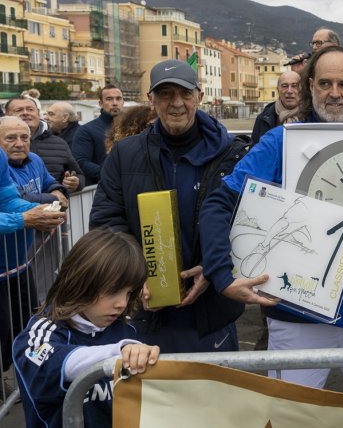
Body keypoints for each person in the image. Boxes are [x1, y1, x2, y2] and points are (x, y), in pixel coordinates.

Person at [200, 46, 343, 396]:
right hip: (297, 317)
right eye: (324, 83)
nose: (334, 93)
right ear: (310, 87)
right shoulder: (281, 142)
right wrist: (220, 274)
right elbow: (220, 201)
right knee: (292, 417)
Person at [90, 60, 248, 353]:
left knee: (212, 397)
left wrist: (215, 268)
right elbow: (106, 222)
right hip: (146, 311)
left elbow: (249, 224)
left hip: (211, 312)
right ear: (151, 100)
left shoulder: (234, 154)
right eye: (166, 94)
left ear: (199, 97)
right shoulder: (125, 154)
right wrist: (136, 277)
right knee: (151, 397)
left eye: (185, 94)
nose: (176, 103)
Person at [13, 228, 159, 428]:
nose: (122, 303)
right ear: (83, 280)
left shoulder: (126, 331)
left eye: (128, 293)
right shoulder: (40, 333)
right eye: (113, 291)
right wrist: (121, 352)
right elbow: (55, 364)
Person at [0, 101, 66, 410]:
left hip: (14, 263)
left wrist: (37, 210)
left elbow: (7, 199)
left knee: (17, 327)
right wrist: (25, 219)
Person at [4, 97, 84, 191]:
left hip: (55, 204)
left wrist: (75, 183)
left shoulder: (59, 143)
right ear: (7, 115)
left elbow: (78, 174)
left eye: (30, 109)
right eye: (19, 110)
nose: (25, 113)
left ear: (38, 114)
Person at [71, 84, 125, 184]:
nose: (115, 103)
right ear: (100, 103)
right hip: (102, 189)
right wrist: (110, 174)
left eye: (118, 99)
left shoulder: (133, 127)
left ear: (123, 102)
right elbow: (80, 161)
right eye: (109, 99)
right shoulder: (86, 130)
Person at [250, 70, 301, 144]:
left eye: (294, 86)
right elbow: (255, 148)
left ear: (302, 89)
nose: (289, 91)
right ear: (278, 89)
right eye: (285, 86)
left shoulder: (312, 115)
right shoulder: (263, 118)